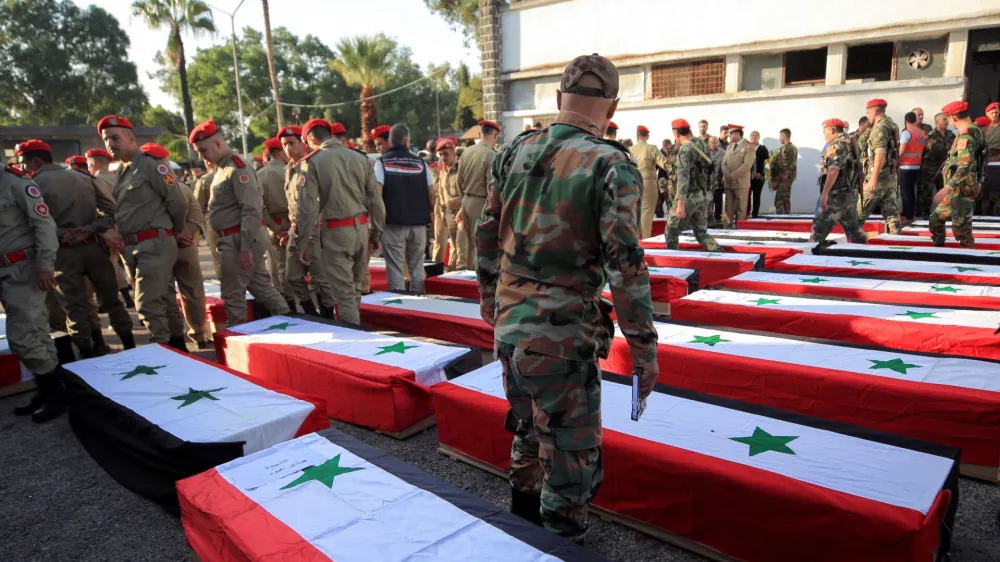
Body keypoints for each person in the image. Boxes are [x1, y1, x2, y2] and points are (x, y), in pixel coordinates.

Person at [476, 53, 658, 544]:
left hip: (511, 329)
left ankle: (519, 536)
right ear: (612, 107)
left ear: (559, 98)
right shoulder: (610, 164)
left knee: (528, 432)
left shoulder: (513, 151)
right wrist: (644, 349)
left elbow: (486, 230)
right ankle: (559, 547)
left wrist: (489, 297)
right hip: (562, 339)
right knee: (570, 463)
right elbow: (626, 266)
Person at [16, 139, 135, 358]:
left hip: (62, 253)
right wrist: (88, 229)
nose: (22, 167)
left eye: (24, 162)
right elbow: (112, 212)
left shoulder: (32, 185)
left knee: (74, 307)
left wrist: (64, 233)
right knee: (112, 300)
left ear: (35, 161)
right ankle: (130, 348)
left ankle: (87, 356)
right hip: (94, 248)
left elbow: (34, 223)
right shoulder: (83, 177)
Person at [99, 115, 188, 347]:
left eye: (115, 138)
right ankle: (178, 348)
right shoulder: (122, 170)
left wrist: (174, 231)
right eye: (106, 140)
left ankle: (162, 351)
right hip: (135, 246)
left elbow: (177, 203)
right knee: (164, 299)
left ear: (131, 138)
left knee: (147, 304)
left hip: (155, 242)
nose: (110, 144)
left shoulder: (150, 164)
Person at [189, 119, 289, 325]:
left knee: (233, 295)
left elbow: (251, 209)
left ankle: (238, 334)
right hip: (235, 238)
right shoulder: (222, 168)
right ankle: (291, 320)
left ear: (217, 144)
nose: (201, 156)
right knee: (261, 288)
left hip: (239, 239)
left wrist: (245, 247)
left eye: (203, 150)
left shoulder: (237, 168)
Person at [294, 119, 384, 324]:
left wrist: (301, 242)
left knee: (344, 294)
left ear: (310, 139)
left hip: (336, 232)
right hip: (361, 229)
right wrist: (376, 233)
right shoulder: (360, 158)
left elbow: (307, 208)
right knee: (355, 289)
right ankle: (356, 327)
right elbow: (375, 200)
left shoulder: (312, 162)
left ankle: (354, 337)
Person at [3, 164, 67, 423]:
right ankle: (50, 390)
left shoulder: (15, 182)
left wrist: (45, 265)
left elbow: (44, 225)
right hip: (6, 272)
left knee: (22, 337)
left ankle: (56, 395)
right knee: (38, 332)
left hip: (24, 270)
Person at [278, 125, 328, 317]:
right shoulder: (289, 170)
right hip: (296, 229)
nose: (288, 148)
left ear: (303, 143)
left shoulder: (311, 166)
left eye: (292, 143)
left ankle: (328, 315)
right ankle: (311, 313)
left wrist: (306, 235)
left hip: (313, 229)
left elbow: (313, 205)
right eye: (284, 144)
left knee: (319, 278)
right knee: (292, 276)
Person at [377, 124, 434, 291]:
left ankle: (400, 302)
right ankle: (419, 302)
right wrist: (429, 212)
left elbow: (377, 194)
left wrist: (377, 221)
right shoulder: (421, 163)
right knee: (417, 267)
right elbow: (432, 193)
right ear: (407, 140)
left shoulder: (382, 163)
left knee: (395, 268)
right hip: (418, 225)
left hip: (393, 225)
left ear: (390, 141)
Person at [929, 101, 986, 248]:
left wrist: (947, 187)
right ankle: (939, 250)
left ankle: (970, 258)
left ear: (953, 118)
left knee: (962, 231)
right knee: (935, 219)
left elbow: (965, 166)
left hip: (961, 189)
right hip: (957, 190)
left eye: (948, 119)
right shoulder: (975, 130)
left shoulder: (966, 135)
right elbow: (982, 160)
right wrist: (980, 181)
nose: (949, 123)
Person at [85, 146, 133, 307]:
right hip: (129, 225)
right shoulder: (118, 177)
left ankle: (119, 300)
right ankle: (135, 299)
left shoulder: (95, 180)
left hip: (109, 228)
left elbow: (99, 207)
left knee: (111, 266)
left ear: (92, 162)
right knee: (131, 265)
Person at [664, 119, 721, 251]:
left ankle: (672, 258)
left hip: (689, 196)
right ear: (689, 130)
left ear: (676, 134)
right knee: (701, 232)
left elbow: (683, 176)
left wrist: (680, 204)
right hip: (704, 194)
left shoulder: (685, 149)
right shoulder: (702, 144)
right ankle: (720, 253)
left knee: (671, 230)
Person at [812, 119, 868, 245]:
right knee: (854, 231)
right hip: (850, 194)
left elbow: (833, 170)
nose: (824, 135)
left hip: (836, 196)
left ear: (831, 130)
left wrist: (824, 194)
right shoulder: (850, 142)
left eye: (825, 131)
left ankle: (810, 254)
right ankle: (865, 250)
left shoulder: (837, 145)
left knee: (817, 232)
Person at [257, 136, 294, 312]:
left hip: (275, 226)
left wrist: (275, 229)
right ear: (280, 153)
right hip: (296, 224)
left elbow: (260, 208)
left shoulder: (259, 175)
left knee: (280, 267)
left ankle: (287, 304)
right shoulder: (293, 170)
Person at [457, 120, 499, 266]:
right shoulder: (491, 155)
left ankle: (470, 273)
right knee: (480, 244)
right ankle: (478, 276)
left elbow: (458, 180)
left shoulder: (466, 152)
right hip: (481, 203)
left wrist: (464, 200)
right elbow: (491, 185)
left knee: (470, 243)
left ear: (480, 134)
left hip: (466, 201)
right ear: (495, 136)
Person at [858, 99, 902, 234]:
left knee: (857, 214)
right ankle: (896, 241)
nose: (868, 116)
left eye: (868, 113)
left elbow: (880, 152)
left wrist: (873, 179)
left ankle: (850, 242)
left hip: (878, 175)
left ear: (874, 111)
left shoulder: (879, 128)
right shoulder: (891, 124)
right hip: (890, 175)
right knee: (891, 214)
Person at [630, 125, 671, 238]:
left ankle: (636, 239)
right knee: (647, 213)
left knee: (635, 213)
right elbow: (665, 163)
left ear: (637, 136)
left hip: (633, 181)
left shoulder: (630, 149)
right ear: (647, 136)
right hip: (649, 182)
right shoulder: (652, 148)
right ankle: (645, 240)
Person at [430, 137, 462, 271]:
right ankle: (435, 271)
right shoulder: (437, 169)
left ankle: (453, 272)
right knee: (440, 241)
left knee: (458, 246)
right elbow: (437, 191)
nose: (443, 157)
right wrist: (440, 212)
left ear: (453, 152)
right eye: (441, 154)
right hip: (442, 208)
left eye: (446, 153)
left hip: (459, 211)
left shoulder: (461, 168)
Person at [918, 113, 955, 220]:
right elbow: (931, 151)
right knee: (927, 192)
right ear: (937, 122)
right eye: (944, 119)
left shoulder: (951, 134)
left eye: (947, 119)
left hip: (945, 169)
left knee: (945, 191)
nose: (946, 121)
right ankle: (925, 214)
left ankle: (945, 213)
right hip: (930, 168)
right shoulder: (931, 135)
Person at [192, 160, 221, 279]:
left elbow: (197, 207)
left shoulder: (204, 180)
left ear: (207, 163)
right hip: (237, 222)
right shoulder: (234, 173)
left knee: (219, 259)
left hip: (214, 223)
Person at [721, 124, 754, 227]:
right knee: (728, 209)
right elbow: (723, 163)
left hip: (741, 183)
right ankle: (727, 229)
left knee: (741, 209)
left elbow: (747, 165)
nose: (729, 135)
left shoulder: (748, 146)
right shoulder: (730, 146)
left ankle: (741, 230)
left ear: (737, 133)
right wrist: (727, 175)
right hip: (729, 183)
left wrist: (732, 176)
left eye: (731, 133)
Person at [898, 112, 927, 224]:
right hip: (917, 166)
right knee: (911, 192)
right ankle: (910, 214)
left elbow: (901, 151)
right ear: (915, 120)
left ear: (905, 121)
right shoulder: (921, 133)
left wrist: (895, 160)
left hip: (906, 166)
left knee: (906, 193)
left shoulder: (906, 133)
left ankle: (908, 217)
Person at [768, 128, 798, 214]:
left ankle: (781, 217)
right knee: (786, 199)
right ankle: (786, 217)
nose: (779, 138)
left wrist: (775, 180)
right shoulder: (794, 148)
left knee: (779, 200)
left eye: (780, 136)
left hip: (783, 178)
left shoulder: (785, 148)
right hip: (789, 178)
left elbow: (783, 166)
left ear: (784, 136)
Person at [981, 102, 1000, 216]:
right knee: (984, 186)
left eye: (996, 112)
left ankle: (996, 209)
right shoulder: (982, 127)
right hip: (984, 160)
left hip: (997, 160)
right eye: (992, 113)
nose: (994, 115)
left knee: (997, 186)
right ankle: (983, 210)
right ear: (987, 114)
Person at [747, 131, 770, 218]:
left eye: (756, 136)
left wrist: (761, 172)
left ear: (758, 138)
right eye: (752, 135)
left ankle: (755, 215)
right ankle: (746, 213)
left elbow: (767, 163)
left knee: (756, 196)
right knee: (747, 196)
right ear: (750, 137)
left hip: (758, 177)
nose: (754, 137)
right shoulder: (747, 148)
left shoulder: (762, 149)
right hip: (747, 177)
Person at [708, 136, 726, 223]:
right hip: (708, 182)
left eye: (716, 142)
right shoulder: (705, 152)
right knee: (709, 200)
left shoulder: (722, 152)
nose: (715, 144)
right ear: (709, 143)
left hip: (719, 181)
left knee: (718, 200)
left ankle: (718, 217)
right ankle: (709, 218)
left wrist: (724, 175)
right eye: (712, 142)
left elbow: (726, 164)